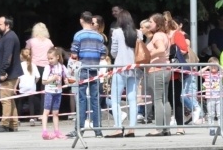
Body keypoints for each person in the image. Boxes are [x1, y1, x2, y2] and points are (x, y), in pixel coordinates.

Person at [70, 11, 106, 138]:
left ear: (81, 20)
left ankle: (79, 129)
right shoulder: (99, 36)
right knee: (96, 100)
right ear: (91, 21)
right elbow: (103, 54)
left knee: (81, 99)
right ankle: (98, 130)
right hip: (95, 70)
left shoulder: (78, 35)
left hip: (83, 69)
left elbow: (74, 54)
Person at [106, 9, 140, 138]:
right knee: (132, 98)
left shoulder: (116, 32)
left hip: (120, 67)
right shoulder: (139, 33)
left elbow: (113, 51)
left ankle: (118, 127)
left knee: (115, 99)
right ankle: (132, 128)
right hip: (135, 68)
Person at [0, 16, 23, 133]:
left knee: (5, 99)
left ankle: (4, 124)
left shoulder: (9, 37)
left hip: (8, 74)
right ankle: (13, 124)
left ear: (7, 25)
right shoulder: (9, 36)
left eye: (0, 24)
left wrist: (3, 72)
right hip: (12, 73)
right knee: (10, 99)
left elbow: (8, 56)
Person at [145, 13, 172, 136]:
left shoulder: (157, 36)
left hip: (157, 70)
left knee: (158, 99)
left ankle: (159, 128)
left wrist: (148, 56)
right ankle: (166, 128)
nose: (149, 24)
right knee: (164, 99)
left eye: (151, 21)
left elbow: (160, 49)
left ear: (157, 23)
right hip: (165, 69)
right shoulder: (165, 35)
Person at [40, 47, 69, 140]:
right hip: (49, 92)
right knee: (46, 112)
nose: (50, 60)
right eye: (48, 59)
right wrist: (52, 78)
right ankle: (44, 131)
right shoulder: (47, 68)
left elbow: (65, 77)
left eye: (51, 58)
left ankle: (56, 131)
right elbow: (43, 81)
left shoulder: (62, 67)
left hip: (58, 92)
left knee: (56, 113)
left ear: (57, 57)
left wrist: (67, 81)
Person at [17, 48, 41, 126]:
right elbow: (38, 76)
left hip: (23, 86)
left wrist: (15, 87)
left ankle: (18, 119)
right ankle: (31, 119)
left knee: (20, 102)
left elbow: (18, 77)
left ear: (22, 56)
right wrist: (34, 82)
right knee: (31, 103)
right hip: (31, 86)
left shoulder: (20, 65)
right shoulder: (33, 65)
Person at [202, 57, 223, 136]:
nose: (214, 67)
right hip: (210, 97)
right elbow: (199, 72)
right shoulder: (207, 74)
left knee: (219, 114)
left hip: (219, 96)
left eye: (215, 66)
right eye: (212, 66)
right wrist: (208, 66)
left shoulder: (220, 74)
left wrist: (219, 65)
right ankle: (211, 129)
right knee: (211, 114)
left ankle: (220, 129)